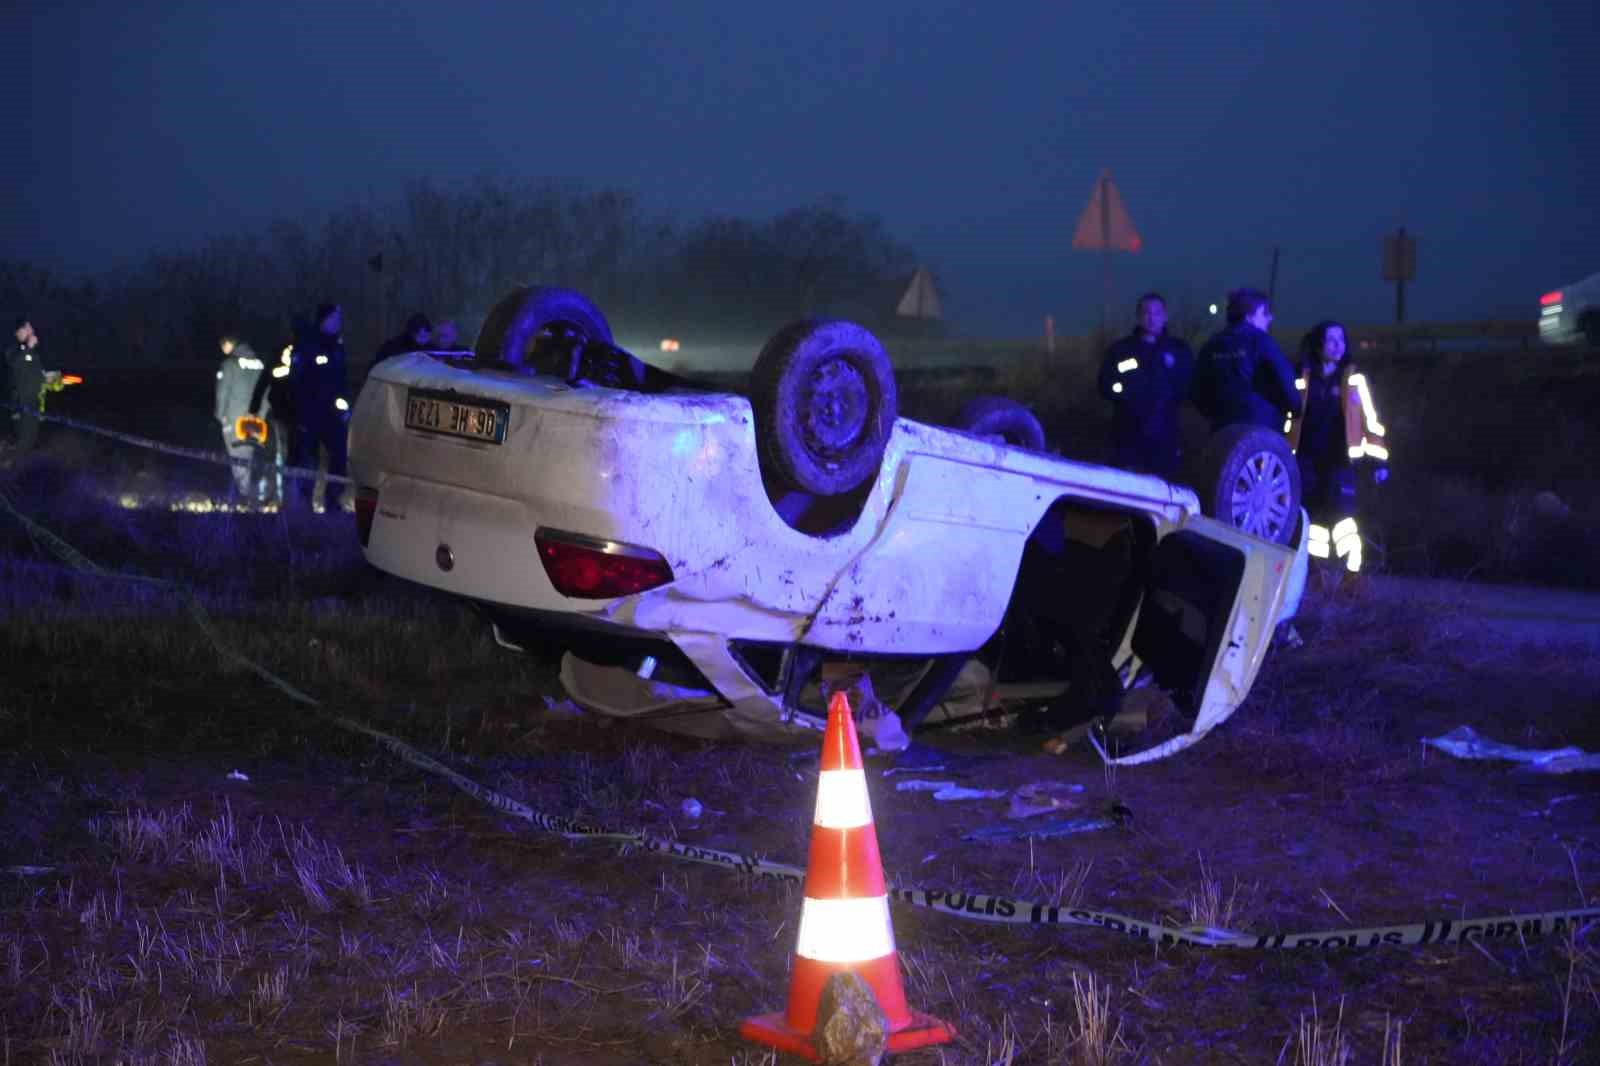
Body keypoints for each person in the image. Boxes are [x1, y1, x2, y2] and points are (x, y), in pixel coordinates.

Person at [1286, 320, 1391, 580]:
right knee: (1314, 521)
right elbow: (1287, 416)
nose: (1338, 346)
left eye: (1341, 340)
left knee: (1345, 518)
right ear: (1318, 343)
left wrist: (1378, 461)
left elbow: (1370, 420)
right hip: (1305, 460)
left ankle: (1351, 576)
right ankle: (1318, 576)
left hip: (1341, 461)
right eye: (1331, 340)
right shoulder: (1301, 375)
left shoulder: (1354, 379)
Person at [1095, 292, 1194, 478]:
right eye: (1146, 313)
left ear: (1165, 316)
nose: (1151, 318)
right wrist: (1126, 394)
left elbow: (1188, 387)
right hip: (1127, 438)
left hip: (1166, 438)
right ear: (1138, 317)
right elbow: (1105, 384)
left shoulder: (1178, 350)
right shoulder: (1122, 350)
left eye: (1156, 313)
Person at [1190, 288, 1299, 433]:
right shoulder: (1261, 341)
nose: (1270, 318)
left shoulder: (1211, 345)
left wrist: (1217, 415)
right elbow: (1285, 382)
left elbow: (1197, 391)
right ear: (1249, 316)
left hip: (1222, 430)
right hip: (1260, 428)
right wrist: (1296, 409)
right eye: (1264, 313)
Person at [289, 303, 352, 513]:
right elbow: (297, 378)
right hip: (310, 412)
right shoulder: (307, 344)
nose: (338, 323)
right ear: (323, 320)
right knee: (308, 458)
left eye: (338, 319)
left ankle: (333, 500)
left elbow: (343, 378)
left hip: (332, 414)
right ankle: (303, 504)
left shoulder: (337, 346)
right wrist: (301, 410)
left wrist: (344, 406)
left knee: (340, 455)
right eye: (333, 319)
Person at [214, 335, 267, 501]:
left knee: (238, 458)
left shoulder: (229, 365)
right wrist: (261, 416)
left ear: (229, 344)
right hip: (256, 420)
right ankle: (261, 495)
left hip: (234, 419)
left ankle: (246, 497)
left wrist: (221, 416)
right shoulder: (260, 365)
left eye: (223, 346)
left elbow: (222, 393)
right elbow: (267, 392)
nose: (223, 350)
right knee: (254, 456)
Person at [3, 317, 49, 452]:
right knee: (23, 438)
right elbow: (15, 365)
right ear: (21, 330)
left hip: (35, 400)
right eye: (29, 328)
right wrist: (28, 348)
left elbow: (35, 372)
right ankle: (12, 461)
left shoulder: (32, 352)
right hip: (22, 401)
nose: (32, 331)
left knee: (32, 437)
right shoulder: (13, 348)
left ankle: (20, 461)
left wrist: (47, 377)